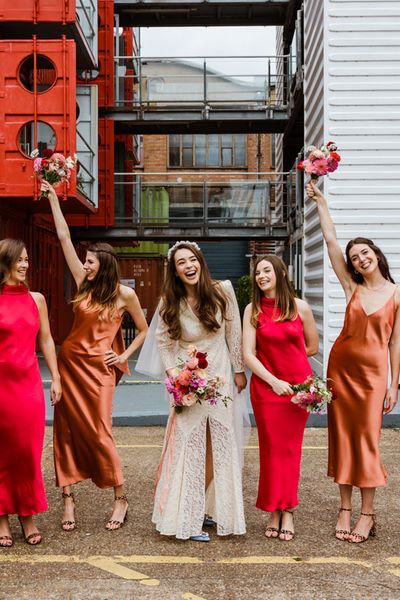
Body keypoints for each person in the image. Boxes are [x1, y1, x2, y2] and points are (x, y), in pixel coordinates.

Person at [41, 180, 148, 532]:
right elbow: (63, 239)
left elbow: (145, 330)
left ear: (102, 264)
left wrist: (123, 357)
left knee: (101, 431)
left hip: (100, 371)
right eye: (84, 261)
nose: (84, 265)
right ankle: (68, 499)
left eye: (89, 262)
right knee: (66, 431)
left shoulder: (123, 295)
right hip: (71, 366)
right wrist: (54, 200)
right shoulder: (82, 283)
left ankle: (120, 498)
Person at [306, 180, 400, 543]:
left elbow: (395, 343)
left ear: (376, 255)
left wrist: (393, 384)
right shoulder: (352, 288)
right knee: (343, 439)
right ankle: (344, 508)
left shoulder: (395, 294)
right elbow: (331, 241)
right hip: (340, 371)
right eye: (355, 257)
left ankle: (367, 514)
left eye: (365, 253)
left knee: (367, 442)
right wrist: (321, 202)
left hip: (374, 376)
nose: (361, 259)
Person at [148, 240, 247, 541]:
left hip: (219, 378)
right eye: (181, 263)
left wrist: (239, 369)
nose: (189, 266)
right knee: (188, 445)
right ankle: (185, 516)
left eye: (192, 260)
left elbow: (234, 332)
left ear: (201, 262)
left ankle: (208, 509)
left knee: (219, 442)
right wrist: (175, 377)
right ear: (175, 271)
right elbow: (165, 344)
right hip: (187, 380)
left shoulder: (223, 290)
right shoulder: (170, 301)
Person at [243, 255, 318, 541]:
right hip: (267, 388)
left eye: (266, 270)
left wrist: (295, 375)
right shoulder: (252, 309)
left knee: (290, 451)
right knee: (271, 450)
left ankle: (287, 510)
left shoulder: (301, 307)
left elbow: (310, 347)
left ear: (281, 273)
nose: (261, 275)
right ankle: (274, 509)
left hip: (298, 391)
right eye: (257, 272)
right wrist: (274, 380)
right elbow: (248, 354)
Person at [0, 239, 61, 546]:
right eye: (19, 260)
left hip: (28, 386)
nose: (24, 265)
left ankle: (27, 514)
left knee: (27, 452)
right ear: (5, 263)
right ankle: (2, 518)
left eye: (26, 260)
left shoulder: (36, 299)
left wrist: (57, 378)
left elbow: (47, 340)